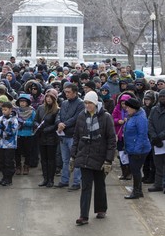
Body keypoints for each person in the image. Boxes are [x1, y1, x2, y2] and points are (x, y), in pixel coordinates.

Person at [70, 91, 116, 225]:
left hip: (100, 156)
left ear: (95, 103)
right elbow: (76, 137)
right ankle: (83, 215)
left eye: (90, 103)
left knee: (100, 184)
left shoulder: (106, 117)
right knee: (86, 186)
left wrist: (108, 160)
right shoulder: (81, 116)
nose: (87, 105)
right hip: (85, 155)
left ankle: (101, 209)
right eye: (85, 102)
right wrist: (73, 156)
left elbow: (111, 139)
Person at [54, 83, 85, 191]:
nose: (66, 94)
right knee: (65, 160)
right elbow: (58, 115)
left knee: (75, 160)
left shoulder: (81, 104)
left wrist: (64, 124)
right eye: (65, 92)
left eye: (68, 92)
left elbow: (77, 117)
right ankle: (64, 180)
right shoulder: (64, 103)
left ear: (75, 92)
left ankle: (76, 182)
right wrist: (59, 123)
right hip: (63, 135)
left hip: (73, 135)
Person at [123, 98, 151, 199]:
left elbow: (142, 135)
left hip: (139, 149)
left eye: (128, 107)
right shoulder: (133, 115)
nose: (126, 109)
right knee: (135, 170)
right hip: (132, 148)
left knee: (135, 170)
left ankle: (137, 191)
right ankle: (138, 190)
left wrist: (137, 150)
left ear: (134, 108)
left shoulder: (140, 118)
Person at [35, 88, 60, 188]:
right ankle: (45, 178)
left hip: (51, 137)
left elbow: (56, 124)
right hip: (41, 137)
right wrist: (38, 126)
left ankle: (51, 179)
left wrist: (47, 129)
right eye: (47, 97)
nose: (48, 99)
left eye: (51, 97)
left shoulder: (57, 110)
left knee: (51, 159)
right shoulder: (40, 108)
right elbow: (36, 119)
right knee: (43, 159)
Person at [0, 101, 19, 186]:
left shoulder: (14, 120)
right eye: (2, 110)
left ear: (10, 109)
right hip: (1, 144)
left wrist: (3, 129)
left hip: (10, 145)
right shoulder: (0, 118)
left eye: (5, 110)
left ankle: (9, 179)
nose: (4, 111)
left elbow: (12, 132)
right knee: (2, 161)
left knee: (9, 162)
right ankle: (4, 177)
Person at [148, 89, 165, 193]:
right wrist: (154, 136)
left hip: (163, 140)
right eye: (161, 97)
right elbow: (150, 123)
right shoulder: (154, 109)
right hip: (156, 142)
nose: (162, 98)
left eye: (164, 97)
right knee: (157, 164)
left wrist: (161, 136)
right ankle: (158, 184)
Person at [14, 93, 36, 175]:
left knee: (28, 152)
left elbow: (34, 122)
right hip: (18, 134)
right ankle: (18, 166)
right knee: (17, 152)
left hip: (28, 134)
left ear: (27, 102)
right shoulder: (16, 111)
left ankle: (26, 166)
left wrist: (24, 122)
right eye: (20, 101)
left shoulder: (32, 111)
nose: (22, 103)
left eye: (24, 101)